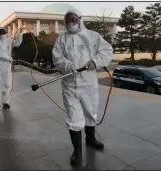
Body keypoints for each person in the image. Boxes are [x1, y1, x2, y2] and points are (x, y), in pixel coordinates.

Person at [52, 9, 113, 166]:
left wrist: (95, 61)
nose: (70, 23)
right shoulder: (61, 39)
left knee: (90, 112)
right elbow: (57, 57)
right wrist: (66, 65)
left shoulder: (93, 36)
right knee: (74, 118)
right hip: (69, 85)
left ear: (80, 19)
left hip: (89, 84)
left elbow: (106, 51)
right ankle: (77, 152)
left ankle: (91, 139)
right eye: (67, 21)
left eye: (73, 20)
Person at [0, 27, 23, 109]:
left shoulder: (9, 41)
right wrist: (8, 58)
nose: (2, 35)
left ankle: (5, 101)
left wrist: (20, 34)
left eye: (3, 33)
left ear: (6, 33)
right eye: (1, 34)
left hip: (7, 65)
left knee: (7, 83)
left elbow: (17, 43)